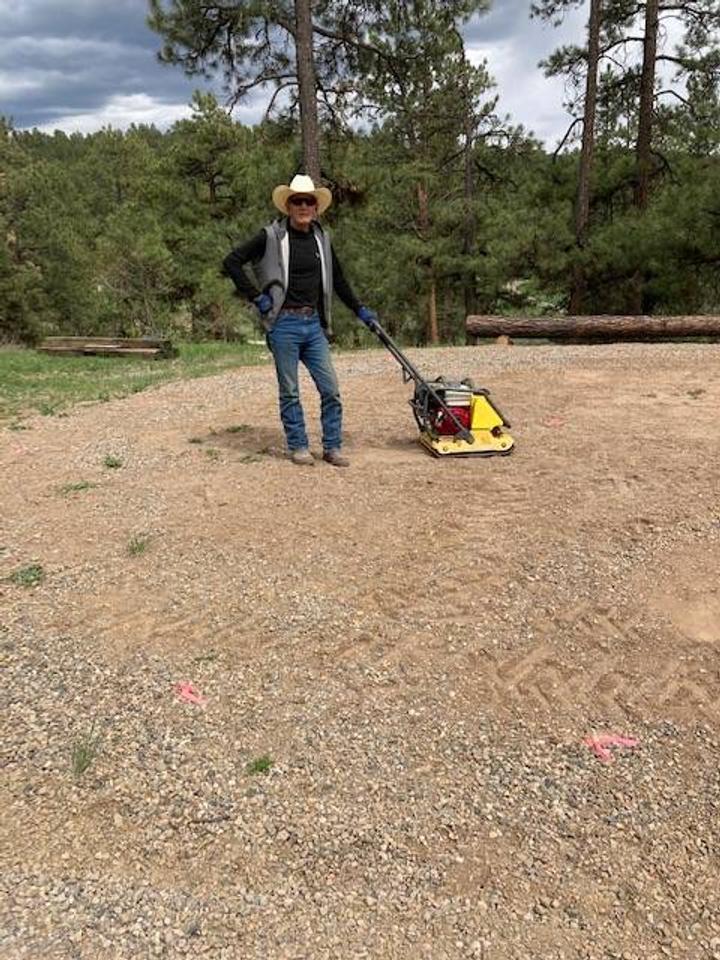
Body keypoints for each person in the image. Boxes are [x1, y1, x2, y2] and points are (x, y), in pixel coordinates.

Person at [223, 174, 377, 467]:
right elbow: (232, 261)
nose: (304, 206)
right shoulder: (270, 236)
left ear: (316, 207)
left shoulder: (322, 239)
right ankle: (299, 446)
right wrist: (256, 297)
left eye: (309, 201)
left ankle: (332, 447)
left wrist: (360, 310)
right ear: (288, 206)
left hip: (314, 325)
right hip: (284, 325)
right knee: (290, 391)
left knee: (330, 388)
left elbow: (339, 280)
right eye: (298, 201)